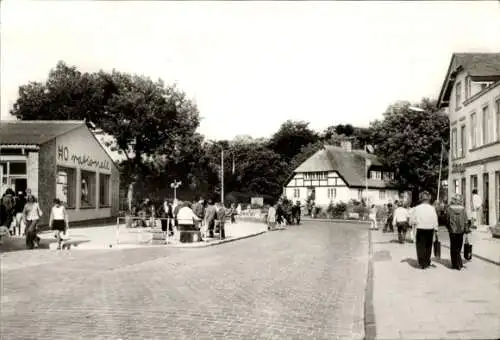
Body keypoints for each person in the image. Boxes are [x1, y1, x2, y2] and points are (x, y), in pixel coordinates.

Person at [409, 191, 439, 269]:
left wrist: (412, 223)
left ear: (421, 198)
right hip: (430, 229)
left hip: (420, 228)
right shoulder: (432, 208)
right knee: (428, 246)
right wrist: (436, 228)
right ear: (429, 199)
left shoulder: (417, 208)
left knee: (420, 246)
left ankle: (422, 262)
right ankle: (427, 261)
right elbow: (435, 219)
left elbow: (412, 220)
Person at [443, 194, 470, 270]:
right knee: (459, 246)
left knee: (453, 246)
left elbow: (446, 219)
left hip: (452, 230)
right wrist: (466, 228)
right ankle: (459, 263)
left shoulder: (449, 209)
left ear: (453, 200)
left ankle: (455, 264)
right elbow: (466, 220)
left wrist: (448, 227)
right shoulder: (463, 209)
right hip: (460, 230)